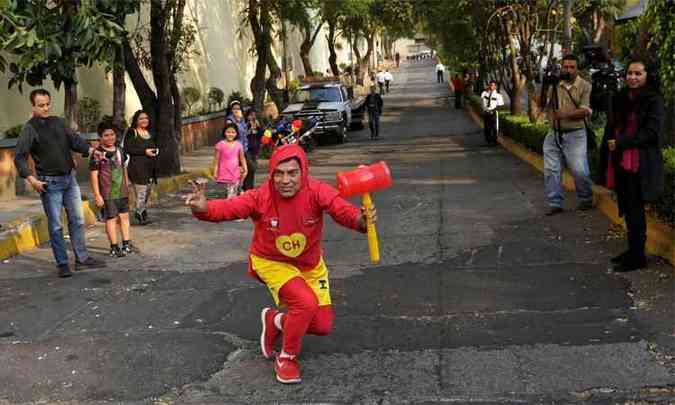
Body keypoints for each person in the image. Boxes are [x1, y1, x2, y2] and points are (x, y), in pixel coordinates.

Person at [186, 144, 376, 384]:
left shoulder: (317, 191)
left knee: (322, 325)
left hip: (309, 265)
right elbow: (230, 208)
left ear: (303, 172)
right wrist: (204, 209)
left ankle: (274, 320)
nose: (285, 180)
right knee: (305, 303)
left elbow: (342, 210)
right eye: (279, 173)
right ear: (272, 174)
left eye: (292, 173)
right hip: (271, 262)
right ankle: (287, 357)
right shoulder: (260, 196)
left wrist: (362, 221)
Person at [13, 88, 106, 278]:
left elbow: (74, 141)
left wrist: (91, 150)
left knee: (78, 220)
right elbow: (19, 158)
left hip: (69, 179)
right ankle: (62, 263)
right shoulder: (29, 128)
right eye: (41, 105)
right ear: (33, 106)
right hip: (49, 183)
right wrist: (32, 180)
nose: (45, 108)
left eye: (48, 104)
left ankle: (82, 259)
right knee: (56, 225)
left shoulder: (59, 122)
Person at [598, 60, 665, 272]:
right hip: (620, 161)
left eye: (638, 73)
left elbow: (652, 133)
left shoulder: (653, 100)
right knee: (627, 208)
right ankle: (632, 251)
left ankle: (638, 257)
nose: (632, 77)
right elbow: (612, 125)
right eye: (629, 73)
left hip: (640, 163)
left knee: (636, 210)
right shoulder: (621, 98)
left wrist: (623, 142)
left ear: (647, 75)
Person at [542, 54, 594, 216]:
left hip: (576, 134)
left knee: (579, 171)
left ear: (577, 69)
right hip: (554, 133)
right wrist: (545, 85)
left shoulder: (585, 86)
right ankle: (555, 203)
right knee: (551, 169)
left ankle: (585, 198)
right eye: (566, 67)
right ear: (561, 67)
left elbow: (585, 110)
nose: (568, 70)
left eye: (572, 67)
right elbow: (542, 104)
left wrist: (564, 115)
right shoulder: (555, 85)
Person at [90, 122, 139, 258]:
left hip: (122, 191)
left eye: (112, 134)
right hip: (108, 193)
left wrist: (128, 186)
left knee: (124, 217)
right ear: (100, 137)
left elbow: (124, 169)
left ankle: (126, 244)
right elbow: (94, 175)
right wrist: (97, 195)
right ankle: (114, 246)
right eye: (106, 135)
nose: (110, 137)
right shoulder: (97, 153)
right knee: (111, 219)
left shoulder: (120, 151)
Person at [123, 110, 158, 226]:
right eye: (141, 118)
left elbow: (152, 147)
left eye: (146, 118)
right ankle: (139, 213)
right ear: (136, 121)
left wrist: (154, 151)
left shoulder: (149, 132)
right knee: (141, 192)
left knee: (147, 192)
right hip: (137, 168)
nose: (144, 120)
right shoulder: (132, 132)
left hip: (150, 168)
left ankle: (142, 212)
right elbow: (128, 149)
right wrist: (144, 151)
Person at [213, 122, 248, 199]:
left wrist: (245, 169)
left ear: (236, 134)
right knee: (223, 198)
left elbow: (242, 158)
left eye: (233, 132)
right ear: (224, 133)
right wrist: (215, 173)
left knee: (233, 197)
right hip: (223, 175)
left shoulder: (239, 145)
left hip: (235, 175)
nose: (230, 134)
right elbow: (216, 161)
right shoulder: (220, 145)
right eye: (228, 132)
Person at [481, 80, 505, 145]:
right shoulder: (484, 93)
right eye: (490, 85)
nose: (491, 86)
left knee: (494, 127)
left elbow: (500, 105)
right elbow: (482, 102)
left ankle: (494, 140)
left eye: (493, 85)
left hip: (493, 113)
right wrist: (483, 110)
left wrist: (493, 111)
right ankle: (488, 141)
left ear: (495, 87)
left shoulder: (498, 95)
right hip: (486, 112)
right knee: (486, 127)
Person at [243, 108, 262, 190]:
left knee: (252, 170)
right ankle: (246, 187)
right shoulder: (244, 124)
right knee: (250, 168)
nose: (252, 117)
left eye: (254, 115)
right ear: (247, 116)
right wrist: (249, 127)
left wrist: (258, 128)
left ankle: (250, 187)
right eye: (250, 115)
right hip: (247, 149)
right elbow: (243, 135)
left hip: (255, 149)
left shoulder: (257, 124)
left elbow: (260, 136)